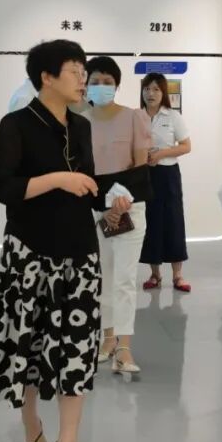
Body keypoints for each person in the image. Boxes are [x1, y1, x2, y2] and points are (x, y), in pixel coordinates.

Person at [0, 39, 100, 442]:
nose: (83, 79)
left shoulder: (82, 127)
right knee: (29, 344)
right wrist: (59, 179)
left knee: (77, 350)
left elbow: (88, 184)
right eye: (74, 70)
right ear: (46, 76)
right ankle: (32, 426)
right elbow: (3, 189)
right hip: (29, 254)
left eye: (84, 70)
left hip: (80, 254)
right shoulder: (16, 125)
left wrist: (109, 199)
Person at [84, 56, 153, 374]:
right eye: (95, 81)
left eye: (108, 82)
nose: (101, 87)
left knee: (124, 278)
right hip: (94, 209)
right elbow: (81, 171)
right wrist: (104, 206)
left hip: (130, 207)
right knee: (103, 276)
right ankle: (107, 338)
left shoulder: (133, 117)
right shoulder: (79, 121)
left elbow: (140, 165)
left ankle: (124, 347)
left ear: (117, 85)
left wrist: (118, 203)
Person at [138, 73, 193, 292]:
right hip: (145, 175)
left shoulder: (172, 116)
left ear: (163, 93)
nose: (150, 93)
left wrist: (161, 154)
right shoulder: (136, 116)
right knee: (151, 222)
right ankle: (155, 275)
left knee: (173, 221)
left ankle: (178, 276)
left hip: (168, 175)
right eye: (147, 89)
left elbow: (186, 146)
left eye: (155, 89)